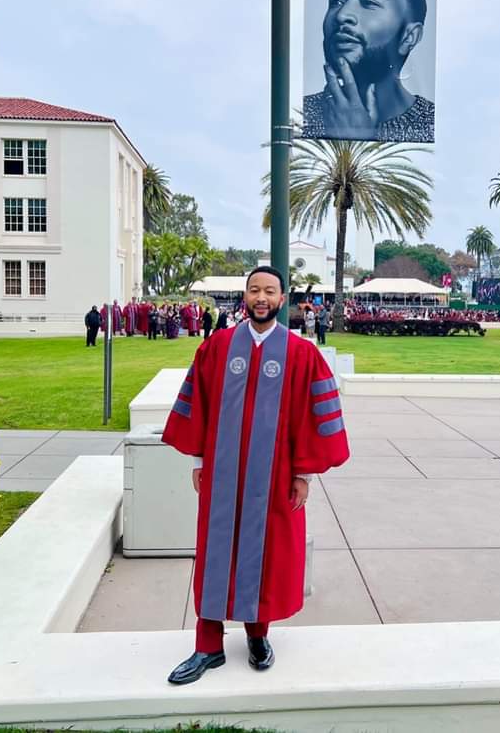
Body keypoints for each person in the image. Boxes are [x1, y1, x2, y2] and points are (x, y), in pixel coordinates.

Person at [163, 266, 349, 686]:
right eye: (254, 290)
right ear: (244, 297)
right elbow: (200, 405)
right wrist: (197, 460)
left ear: (282, 299)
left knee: (265, 554)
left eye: (269, 291)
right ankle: (207, 645)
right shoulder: (217, 347)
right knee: (215, 551)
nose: (260, 297)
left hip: (275, 478)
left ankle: (258, 635)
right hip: (222, 475)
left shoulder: (301, 354)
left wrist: (304, 474)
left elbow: (311, 418)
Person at [302, 0, 433, 143]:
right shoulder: (300, 117)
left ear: (408, 37)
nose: (342, 14)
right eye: (336, 1)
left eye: (369, 2)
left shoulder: (429, 123)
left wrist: (354, 139)